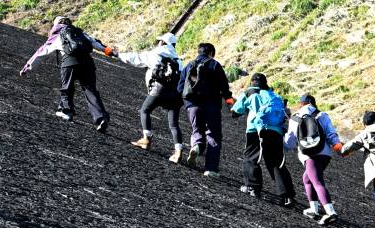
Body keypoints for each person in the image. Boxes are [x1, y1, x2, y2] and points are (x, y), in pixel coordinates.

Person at [20, 16, 115, 132]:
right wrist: (112, 53)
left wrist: (27, 67)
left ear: (55, 25)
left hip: (69, 63)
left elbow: (41, 53)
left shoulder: (56, 35)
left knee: (67, 88)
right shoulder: (80, 33)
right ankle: (101, 118)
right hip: (87, 63)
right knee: (91, 90)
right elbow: (97, 44)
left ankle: (67, 111)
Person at [118, 33, 185, 163]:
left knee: (145, 110)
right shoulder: (178, 60)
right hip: (176, 94)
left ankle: (146, 139)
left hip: (159, 89)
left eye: (159, 41)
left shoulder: (155, 53)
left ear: (162, 42)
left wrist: (117, 54)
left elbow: (135, 58)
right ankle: (178, 152)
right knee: (174, 124)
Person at [231, 73, 295, 204]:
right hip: (276, 131)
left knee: (251, 157)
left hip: (256, 129)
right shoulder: (274, 95)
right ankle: (287, 195)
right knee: (276, 162)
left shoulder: (250, 92)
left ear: (253, 82)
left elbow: (236, 111)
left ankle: (252, 187)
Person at [284, 93, 343, 225]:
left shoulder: (296, 118)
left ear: (301, 104)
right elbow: (331, 134)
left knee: (317, 182)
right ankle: (314, 209)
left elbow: (290, 143)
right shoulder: (322, 115)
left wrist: (282, 136)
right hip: (325, 154)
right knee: (307, 178)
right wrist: (338, 147)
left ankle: (330, 212)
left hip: (310, 155)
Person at [178, 43, 235, 177]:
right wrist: (230, 103)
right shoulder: (215, 65)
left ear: (198, 52)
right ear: (211, 53)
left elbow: (180, 88)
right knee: (213, 135)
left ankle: (196, 146)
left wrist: (187, 103)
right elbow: (225, 88)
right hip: (212, 106)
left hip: (192, 105)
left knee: (197, 130)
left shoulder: (189, 65)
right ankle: (211, 168)